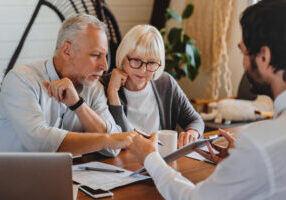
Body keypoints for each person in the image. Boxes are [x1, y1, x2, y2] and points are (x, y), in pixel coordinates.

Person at [128, 0, 286, 199]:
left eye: (242, 51)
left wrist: (150, 158)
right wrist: (238, 166)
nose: (244, 63)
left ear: (264, 57)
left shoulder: (261, 144)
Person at [0, 14, 135, 157]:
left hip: (72, 176)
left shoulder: (94, 88)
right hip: (17, 177)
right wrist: (108, 139)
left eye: (105, 56)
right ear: (67, 50)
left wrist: (78, 104)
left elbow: (113, 149)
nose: (105, 65)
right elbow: (40, 145)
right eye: (96, 55)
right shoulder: (21, 79)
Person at [101, 24, 204, 148]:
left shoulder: (165, 83)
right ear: (123, 57)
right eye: (136, 60)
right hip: (122, 162)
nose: (143, 70)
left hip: (158, 160)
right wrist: (112, 92)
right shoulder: (103, 85)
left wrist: (192, 133)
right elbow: (118, 139)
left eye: (151, 63)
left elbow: (195, 120)